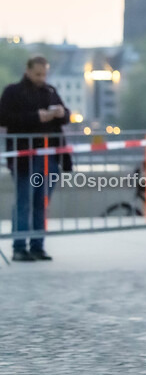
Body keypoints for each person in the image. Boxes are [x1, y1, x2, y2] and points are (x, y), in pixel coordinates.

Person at [0, 56, 70, 261]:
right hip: (25, 157)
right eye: (38, 74)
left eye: (44, 74)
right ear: (28, 71)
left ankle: (37, 245)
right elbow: (3, 118)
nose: (41, 78)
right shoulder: (13, 92)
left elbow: (66, 115)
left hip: (50, 157)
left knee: (41, 202)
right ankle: (20, 246)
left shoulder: (49, 91)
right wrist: (36, 117)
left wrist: (60, 113)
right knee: (24, 201)